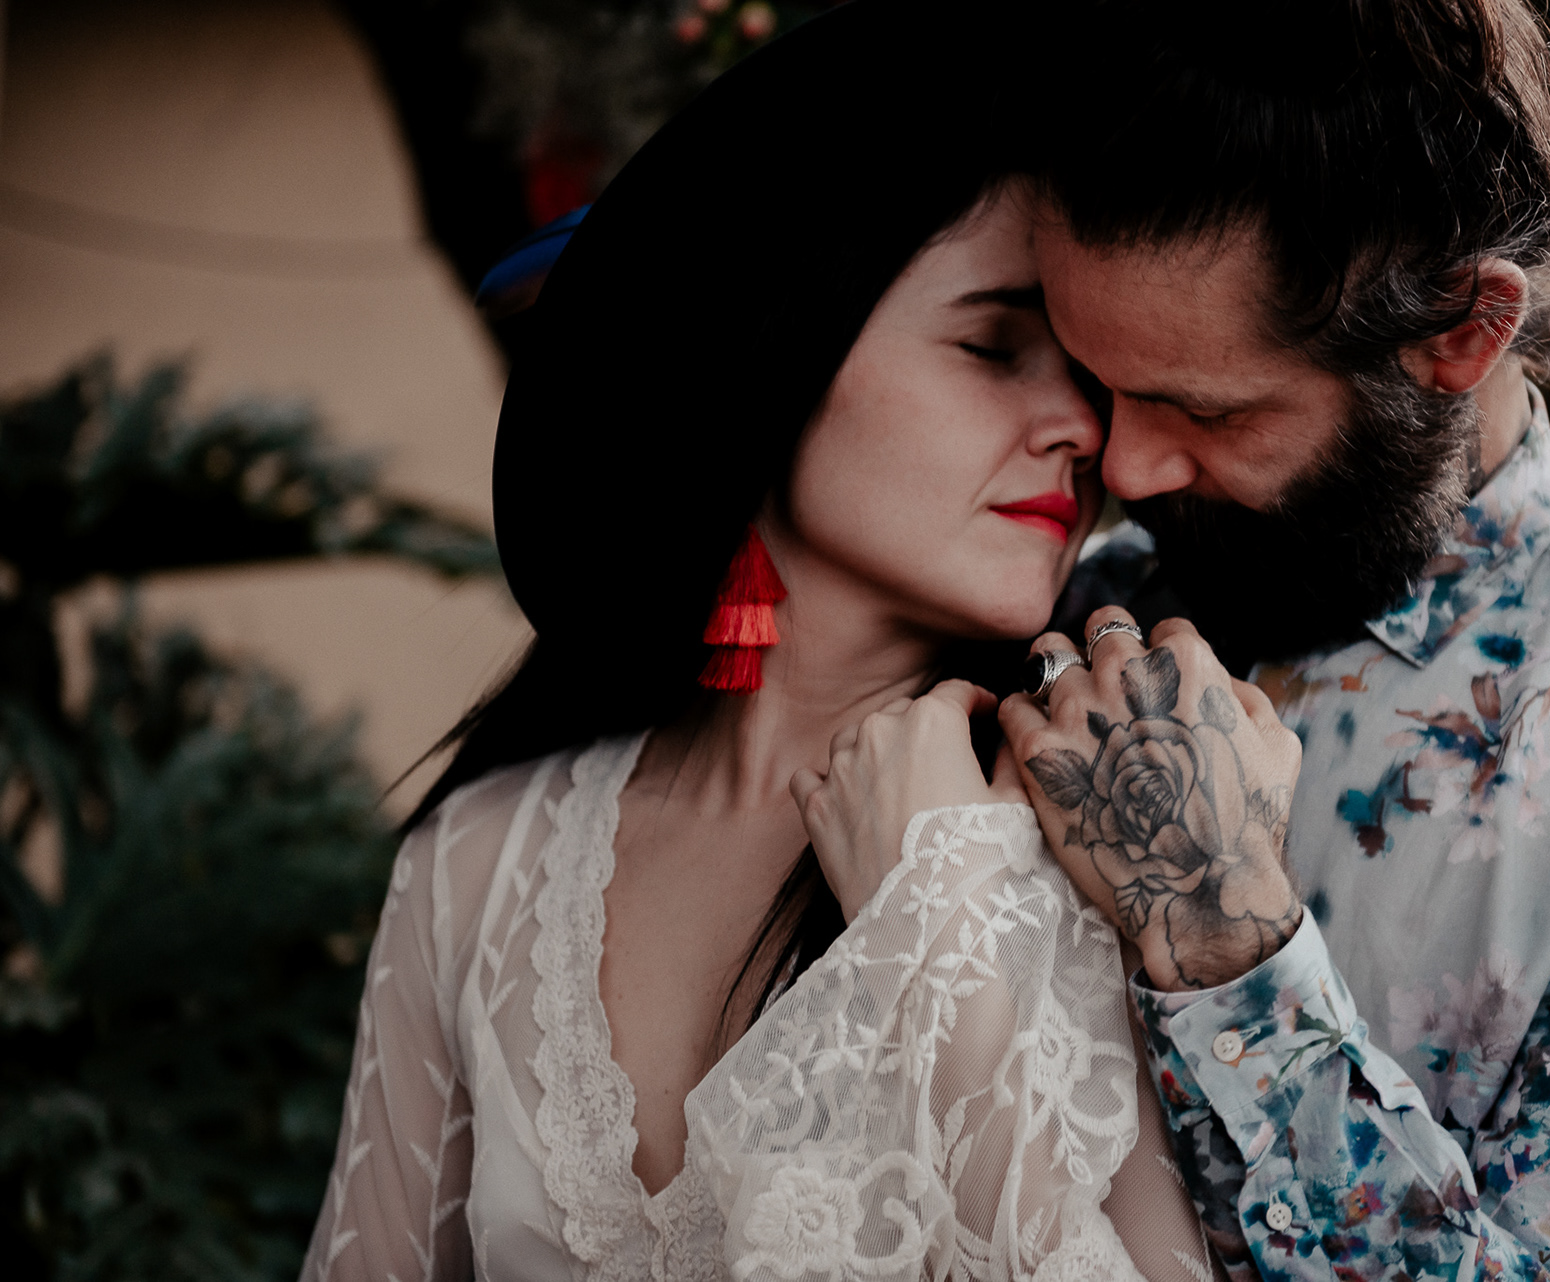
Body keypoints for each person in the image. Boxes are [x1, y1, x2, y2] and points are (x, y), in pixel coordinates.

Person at [299, 5, 1216, 1280]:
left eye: (1090, 371)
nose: (1079, 426)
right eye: (993, 344)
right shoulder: (476, 866)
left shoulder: (1106, 846)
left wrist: (932, 923)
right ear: (774, 349)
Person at [988, 2, 1550, 1280]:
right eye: (1099, 382)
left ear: (1461, 331)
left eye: (1201, 409)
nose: (1121, 463)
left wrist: (1233, 957)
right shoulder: (1079, 601)